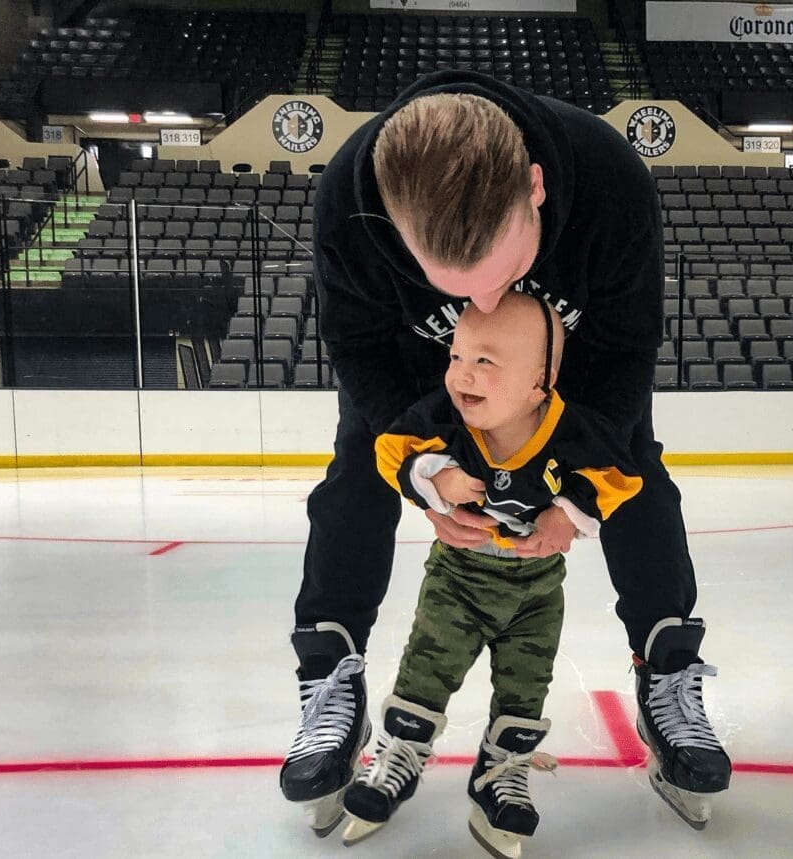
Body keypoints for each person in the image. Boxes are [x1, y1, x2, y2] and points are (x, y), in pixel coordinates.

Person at [279, 70, 731, 837]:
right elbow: (358, 351)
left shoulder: (611, 183)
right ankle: (330, 670)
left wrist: (579, 499)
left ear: (535, 186)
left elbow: (625, 356)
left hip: (565, 358)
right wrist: (424, 471)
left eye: (504, 272)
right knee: (358, 467)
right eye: (457, 285)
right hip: (419, 364)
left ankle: (667, 663)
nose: (486, 305)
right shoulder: (348, 208)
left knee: (635, 470)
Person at [340, 291, 642, 855]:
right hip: (459, 578)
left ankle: (503, 770)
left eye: (485, 361)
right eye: (456, 356)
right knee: (427, 670)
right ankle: (400, 754)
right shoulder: (444, 418)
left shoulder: (573, 428)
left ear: (540, 382)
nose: (462, 374)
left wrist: (566, 514)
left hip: (538, 590)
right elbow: (392, 450)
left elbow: (617, 476)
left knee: (526, 686)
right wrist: (434, 479)